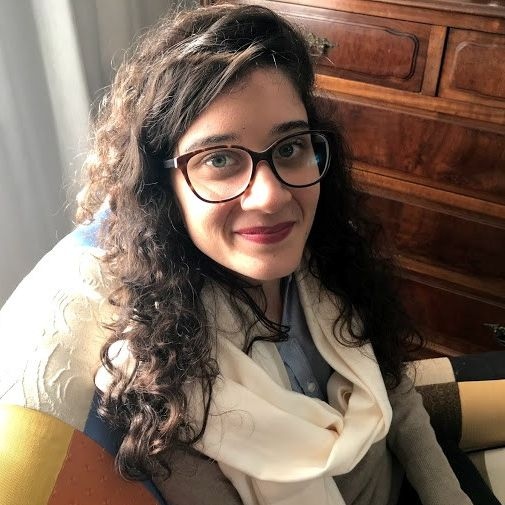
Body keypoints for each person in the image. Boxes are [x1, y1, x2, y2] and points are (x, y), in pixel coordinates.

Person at [0, 4, 490, 505]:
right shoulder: (161, 372)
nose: (271, 196)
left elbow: (395, 392)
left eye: (289, 148)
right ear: (164, 188)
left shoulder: (330, 258)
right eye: (219, 159)